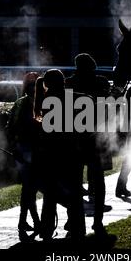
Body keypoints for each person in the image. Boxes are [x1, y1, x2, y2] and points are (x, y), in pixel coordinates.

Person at [65, 53, 112, 236]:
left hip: (75, 138)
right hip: (97, 138)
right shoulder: (101, 82)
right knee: (98, 182)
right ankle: (98, 221)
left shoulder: (69, 83)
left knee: (74, 183)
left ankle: (73, 219)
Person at [37, 69, 86, 242]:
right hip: (73, 155)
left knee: (49, 195)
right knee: (74, 194)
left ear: (47, 84)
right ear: (63, 81)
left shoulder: (44, 100)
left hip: (51, 155)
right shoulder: (75, 98)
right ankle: (77, 226)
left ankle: (47, 228)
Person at [6, 72, 41, 242]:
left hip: (35, 151)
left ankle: (28, 221)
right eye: (33, 85)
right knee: (29, 188)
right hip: (26, 151)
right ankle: (30, 222)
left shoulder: (36, 103)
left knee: (29, 188)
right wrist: (15, 147)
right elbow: (11, 128)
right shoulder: (22, 104)